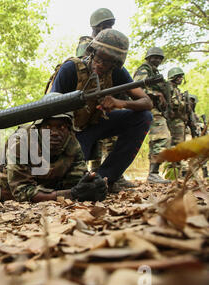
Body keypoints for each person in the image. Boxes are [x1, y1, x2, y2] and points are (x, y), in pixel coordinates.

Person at [49, 29, 153, 192]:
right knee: (70, 184)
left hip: (93, 126)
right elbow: (50, 110)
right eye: (98, 58)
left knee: (144, 117)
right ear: (92, 52)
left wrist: (120, 103)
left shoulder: (117, 73)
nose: (101, 64)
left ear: (116, 63)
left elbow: (147, 102)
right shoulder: (70, 69)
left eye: (108, 61)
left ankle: (106, 177)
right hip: (68, 133)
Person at [74, 8, 135, 191]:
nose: (109, 29)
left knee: (104, 139)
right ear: (96, 27)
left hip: (102, 104)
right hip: (83, 106)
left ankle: (107, 176)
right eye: (105, 26)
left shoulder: (113, 51)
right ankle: (86, 176)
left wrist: (120, 101)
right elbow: (86, 68)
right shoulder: (87, 43)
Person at [0, 111, 107, 203]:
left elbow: (76, 181)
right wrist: (72, 194)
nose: (54, 133)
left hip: (50, 189)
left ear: (69, 130)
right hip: (9, 193)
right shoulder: (21, 142)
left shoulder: (72, 143)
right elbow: (22, 192)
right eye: (47, 127)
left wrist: (92, 185)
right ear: (38, 129)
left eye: (62, 127)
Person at [133, 47, 171, 184]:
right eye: (154, 57)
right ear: (148, 58)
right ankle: (153, 174)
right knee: (162, 138)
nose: (157, 60)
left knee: (161, 139)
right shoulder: (144, 69)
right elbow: (136, 87)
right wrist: (156, 94)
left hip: (156, 110)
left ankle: (153, 173)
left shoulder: (154, 72)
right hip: (149, 108)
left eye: (159, 58)